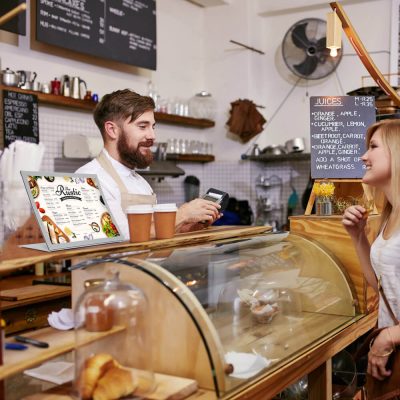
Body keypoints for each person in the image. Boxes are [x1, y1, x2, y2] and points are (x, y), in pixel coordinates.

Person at [76, 89, 221, 238]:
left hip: (144, 262)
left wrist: (188, 226)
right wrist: (183, 214)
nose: (152, 136)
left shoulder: (141, 183)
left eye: (153, 127)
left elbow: (154, 231)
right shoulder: (87, 179)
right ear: (112, 130)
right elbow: (117, 238)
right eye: (142, 126)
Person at [342, 119, 400, 381]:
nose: (364, 156)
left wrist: (390, 335)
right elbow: (381, 285)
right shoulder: (389, 214)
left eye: (373, 147)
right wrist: (358, 237)